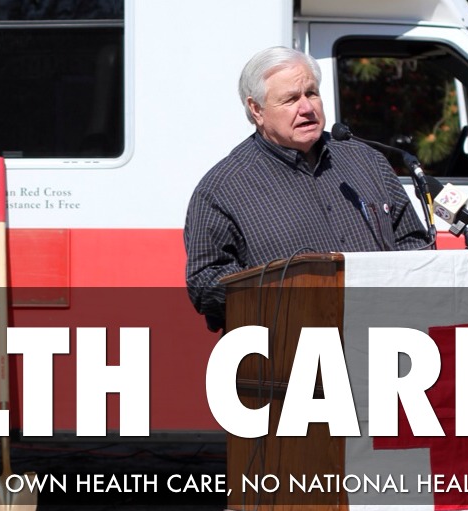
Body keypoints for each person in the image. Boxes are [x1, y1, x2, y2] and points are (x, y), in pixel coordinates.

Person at [184, 46, 430, 332]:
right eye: (290, 99)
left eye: (311, 93)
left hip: (382, 338)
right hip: (291, 347)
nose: (307, 108)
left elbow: (412, 241)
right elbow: (205, 283)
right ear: (256, 109)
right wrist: (281, 294)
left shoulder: (366, 160)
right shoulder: (221, 189)